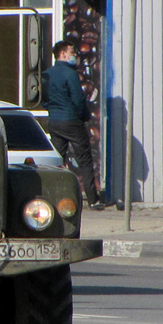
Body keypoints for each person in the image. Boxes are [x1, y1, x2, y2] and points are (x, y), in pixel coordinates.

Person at [42, 40, 104, 210]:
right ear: (63, 54)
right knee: (84, 159)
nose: (75, 56)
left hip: (54, 121)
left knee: (57, 160)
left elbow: (43, 99)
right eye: (72, 53)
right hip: (71, 120)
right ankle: (93, 199)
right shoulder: (70, 74)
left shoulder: (47, 74)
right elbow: (78, 99)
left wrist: (53, 111)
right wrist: (84, 116)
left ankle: (52, 196)